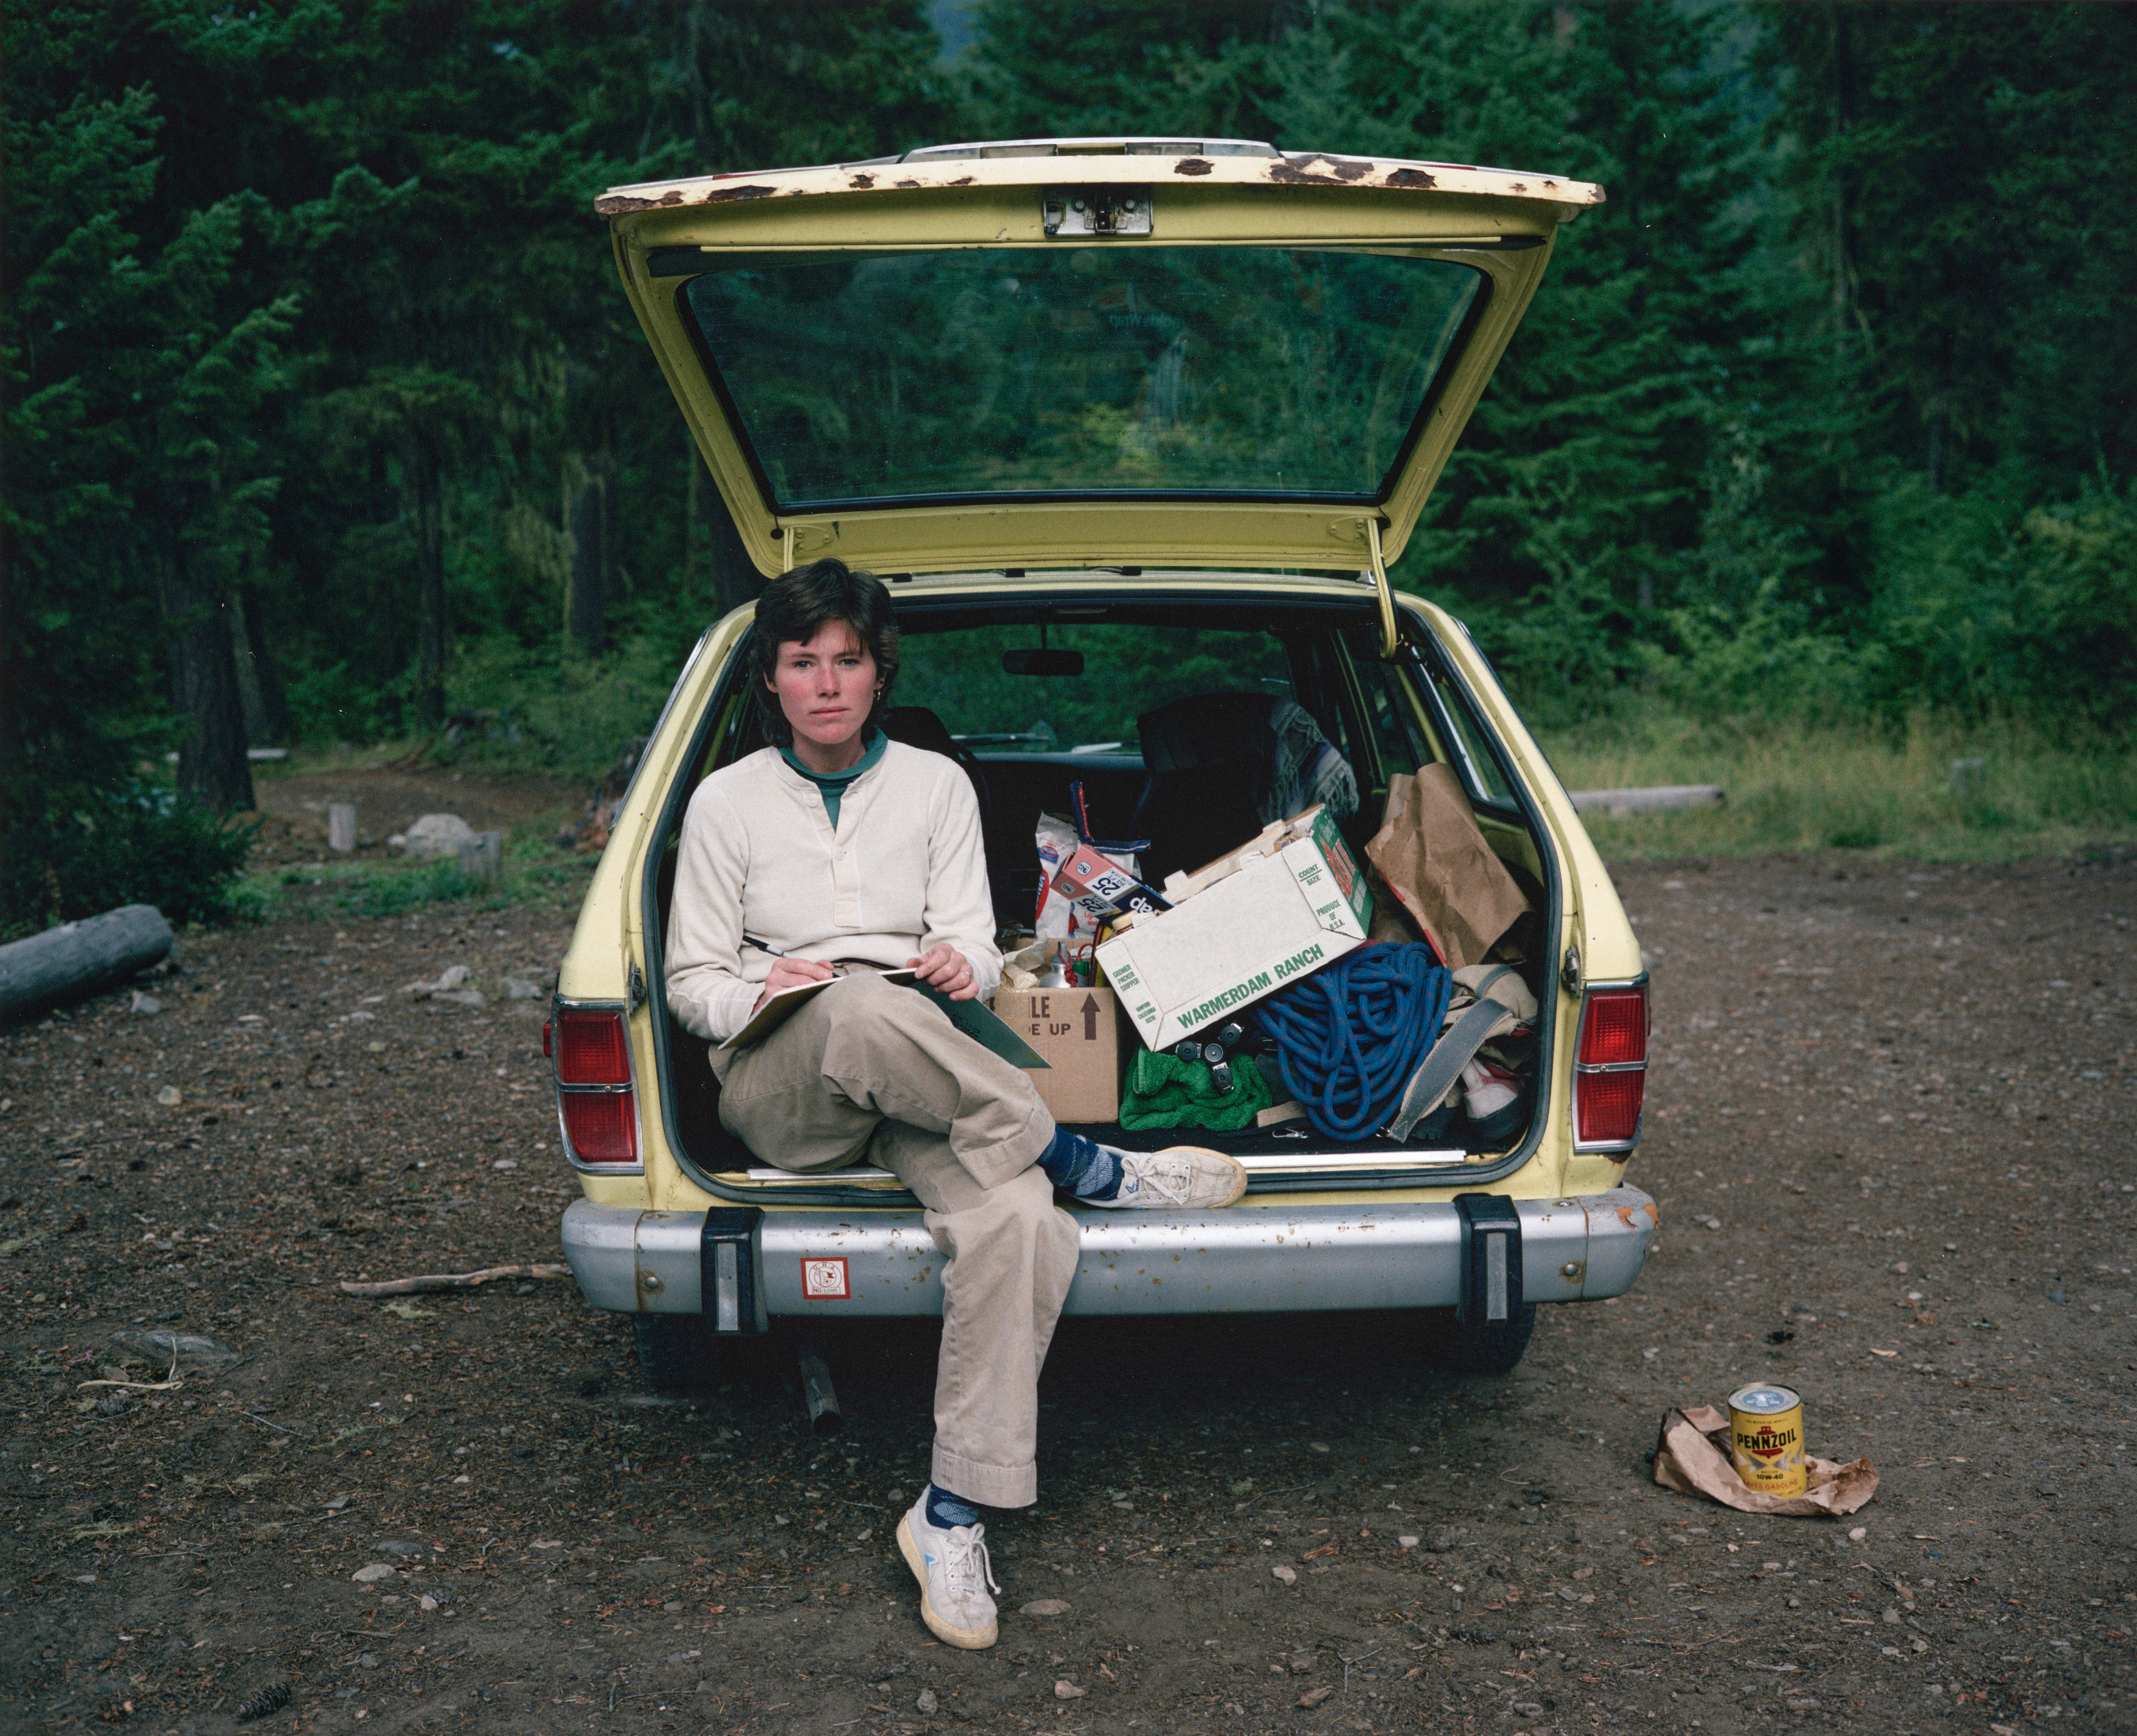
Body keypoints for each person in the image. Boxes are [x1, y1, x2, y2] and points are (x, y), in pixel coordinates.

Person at [664, 558, 1247, 1652]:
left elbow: (981, 949)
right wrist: (766, 986)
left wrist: (953, 964)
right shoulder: (723, 801)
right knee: (849, 1006)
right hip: (783, 1072)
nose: (826, 682)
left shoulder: (934, 784)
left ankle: (950, 1513)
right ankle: (1091, 1162)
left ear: (880, 674)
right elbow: (692, 984)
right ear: (773, 680)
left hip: (924, 1064)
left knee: (1019, 1222)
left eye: (848, 660)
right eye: (803, 662)